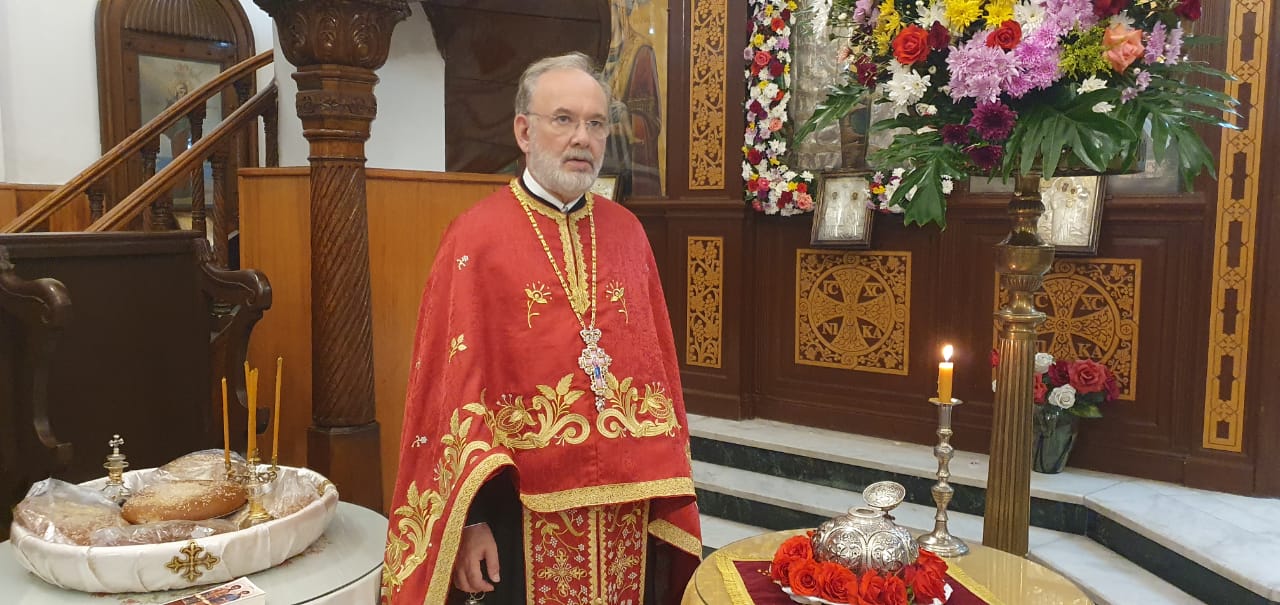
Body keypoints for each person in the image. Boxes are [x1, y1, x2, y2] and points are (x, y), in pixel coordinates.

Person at [380, 52, 701, 605]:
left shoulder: (628, 234)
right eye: (564, 119)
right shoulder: (475, 239)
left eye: (596, 124)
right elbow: (448, 394)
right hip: (516, 514)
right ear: (524, 131)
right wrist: (471, 521)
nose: (582, 138)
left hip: (626, 511)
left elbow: (659, 374)